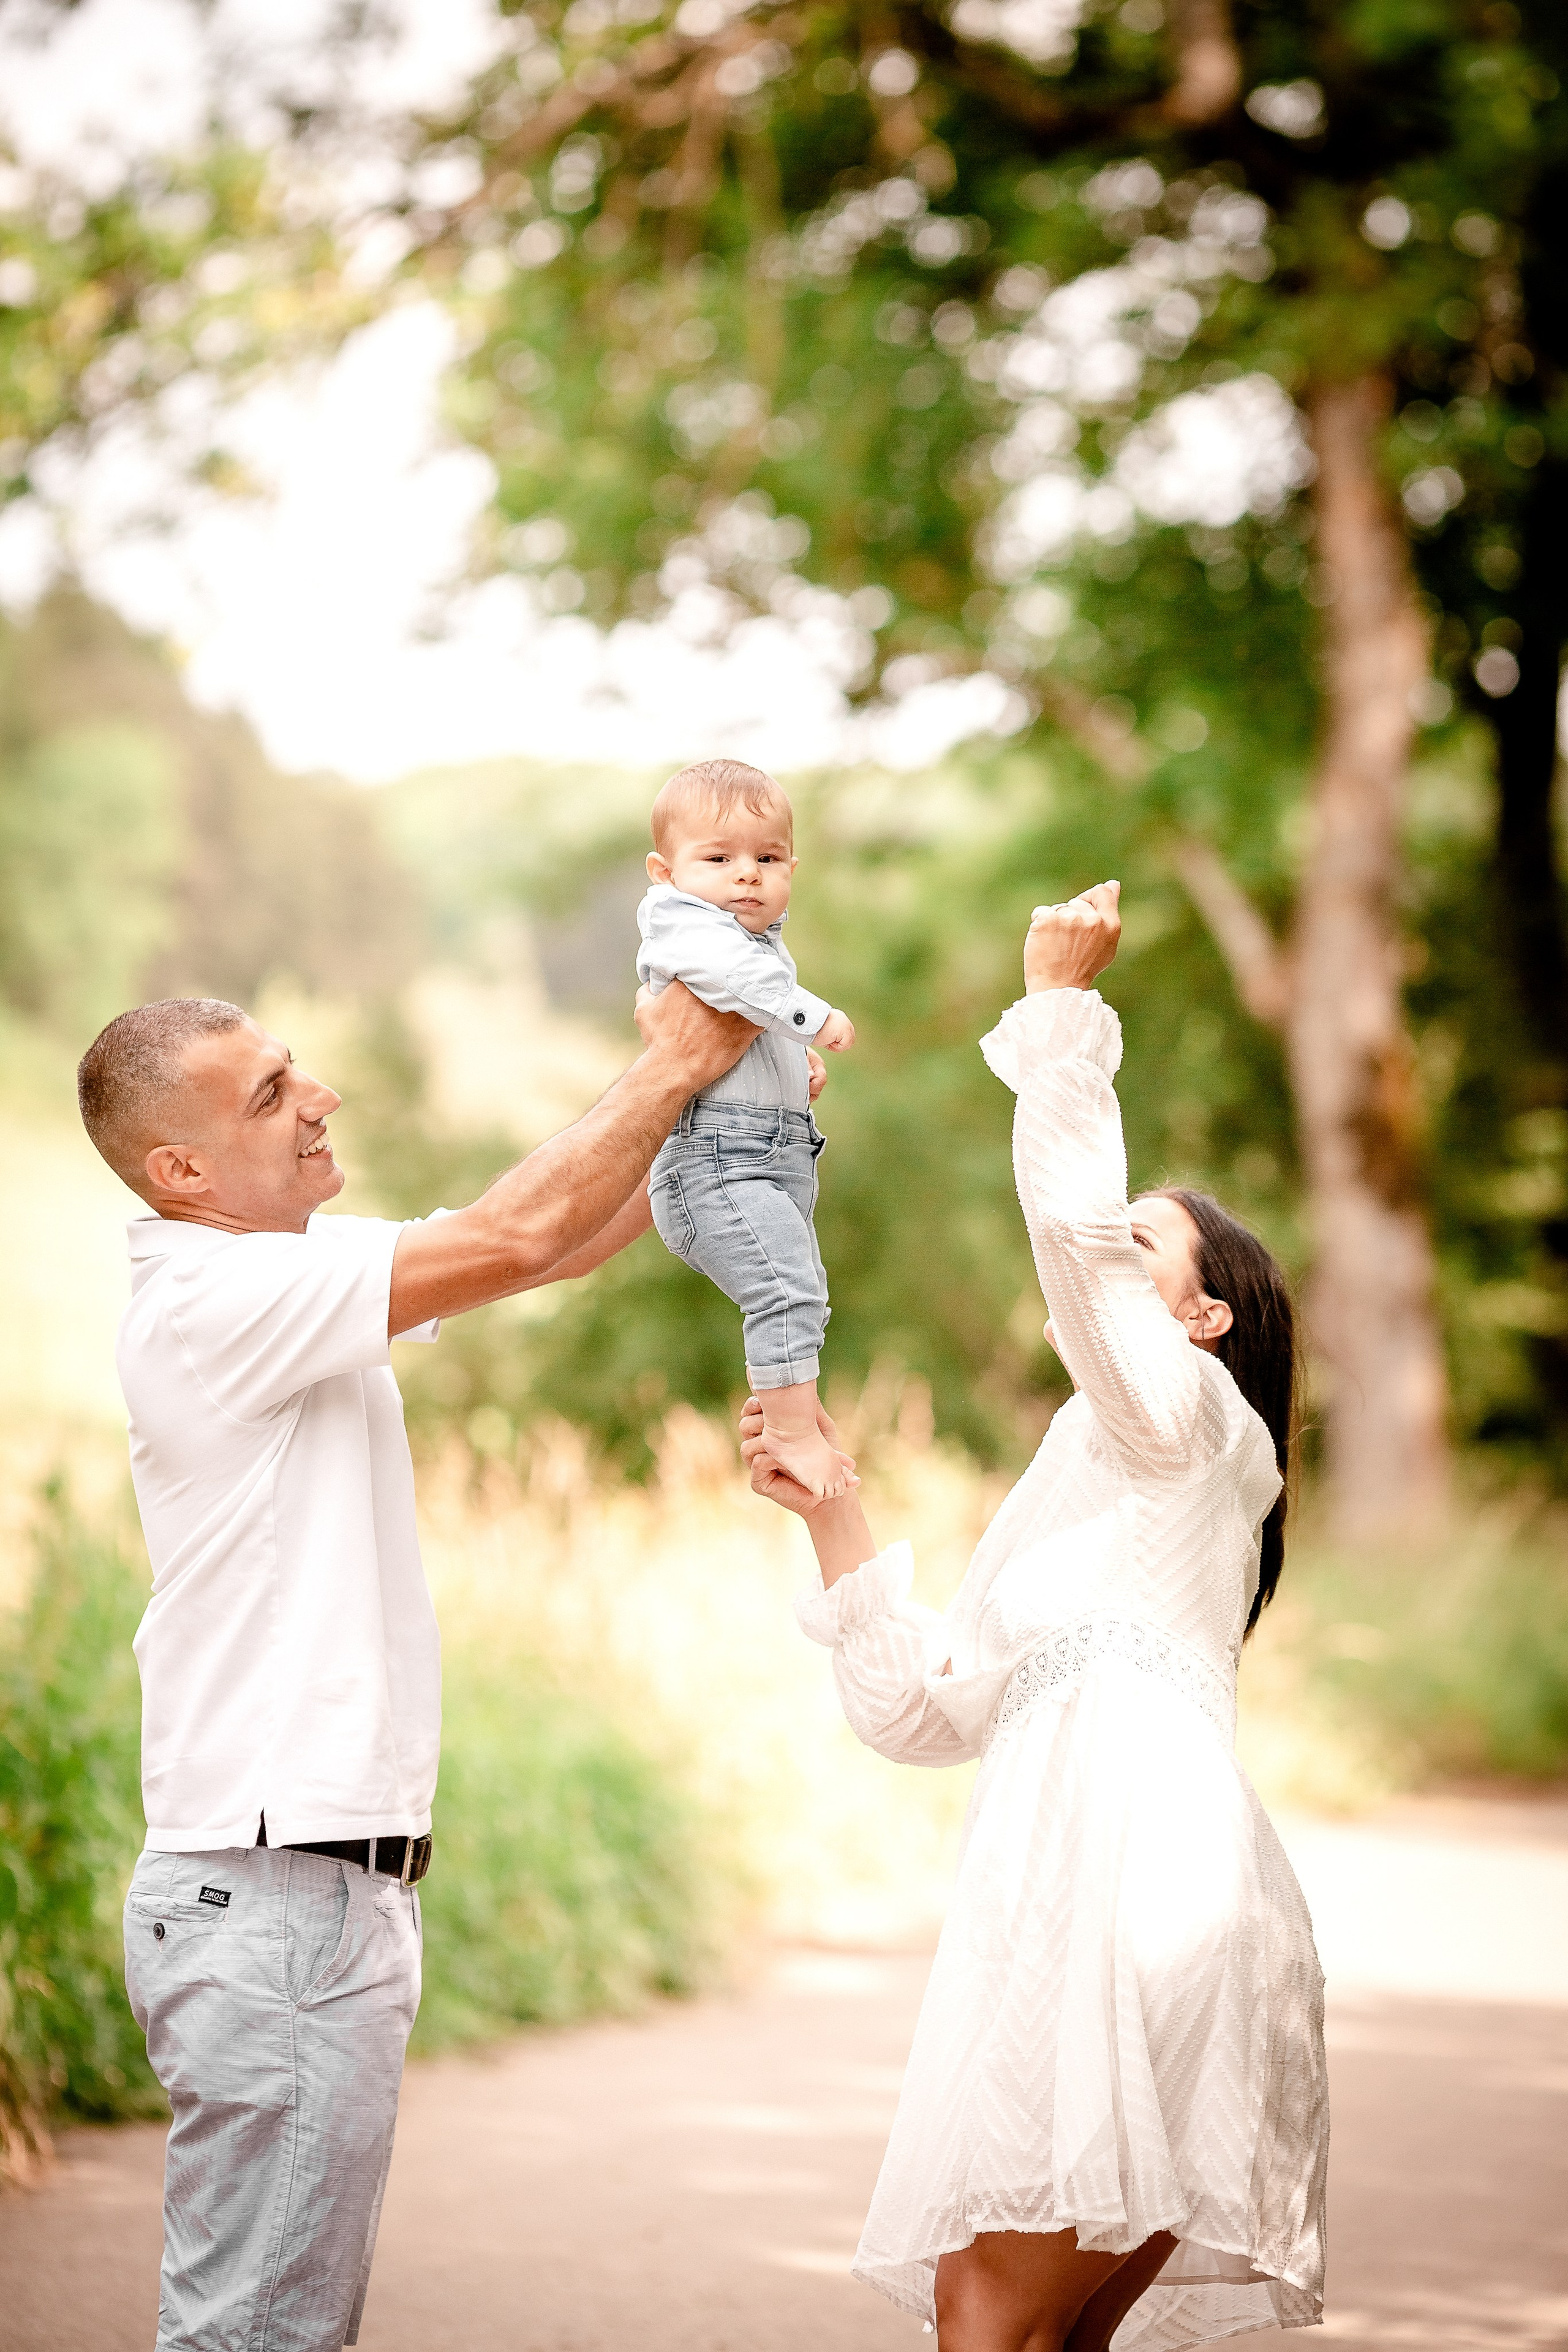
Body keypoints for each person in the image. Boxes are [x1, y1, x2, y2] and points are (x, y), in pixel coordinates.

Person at [75, 980, 758, 2352]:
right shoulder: (223, 1295)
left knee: (278, 2328)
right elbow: (518, 1227)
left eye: (296, 1067)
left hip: (309, 1892)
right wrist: (673, 1057)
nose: (318, 1095)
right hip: (274, 1892)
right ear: (182, 1170)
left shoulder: (280, 1276)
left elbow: (548, 1252)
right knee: (256, 2334)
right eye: (270, 1093)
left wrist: (739, 1107)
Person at [741, 882, 1329, 2352]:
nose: (1107, 1269)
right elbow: (919, 1712)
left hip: (1137, 1887)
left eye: (1150, 1253)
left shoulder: (1190, 1416)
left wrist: (1060, 1017)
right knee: (1021, 2327)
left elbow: (1071, 1248)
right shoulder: (1087, 1478)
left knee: (985, 2315)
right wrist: (832, 1508)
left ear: (1200, 1320)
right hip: (1066, 1894)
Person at [638, 758, 857, 1501]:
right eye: (719, 858)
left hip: (771, 1155)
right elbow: (740, 985)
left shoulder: (755, 939)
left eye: (766, 860)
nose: (746, 877)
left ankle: (793, 1416)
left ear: (791, 866)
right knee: (788, 1290)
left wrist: (791, 1066)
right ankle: (792, 1434)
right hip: (715, 1163)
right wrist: (810, 1021)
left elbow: (741, 1027)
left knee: (799, 1292)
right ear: (664, 872)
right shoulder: (684, 924)